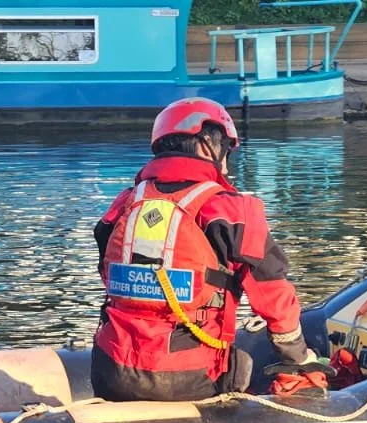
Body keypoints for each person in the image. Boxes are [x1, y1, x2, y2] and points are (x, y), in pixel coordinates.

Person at [91, 96, 330, 402]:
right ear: (207, 144)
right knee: (245, 365)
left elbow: (106, 271)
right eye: (225, 150)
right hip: (187, 377)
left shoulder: (125, 203)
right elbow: (273, 295)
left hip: (109, 369)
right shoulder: (231, 209)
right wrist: (299, 358)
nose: (227, 162)